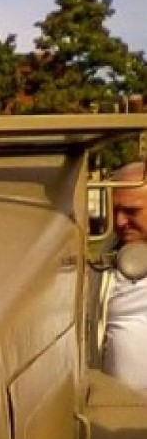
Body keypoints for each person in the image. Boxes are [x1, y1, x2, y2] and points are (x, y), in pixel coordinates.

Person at [101, 162, 147, 392]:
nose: (119, 222)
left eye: (131, 211)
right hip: (114, 413)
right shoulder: (101, 268)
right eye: (114, 211)